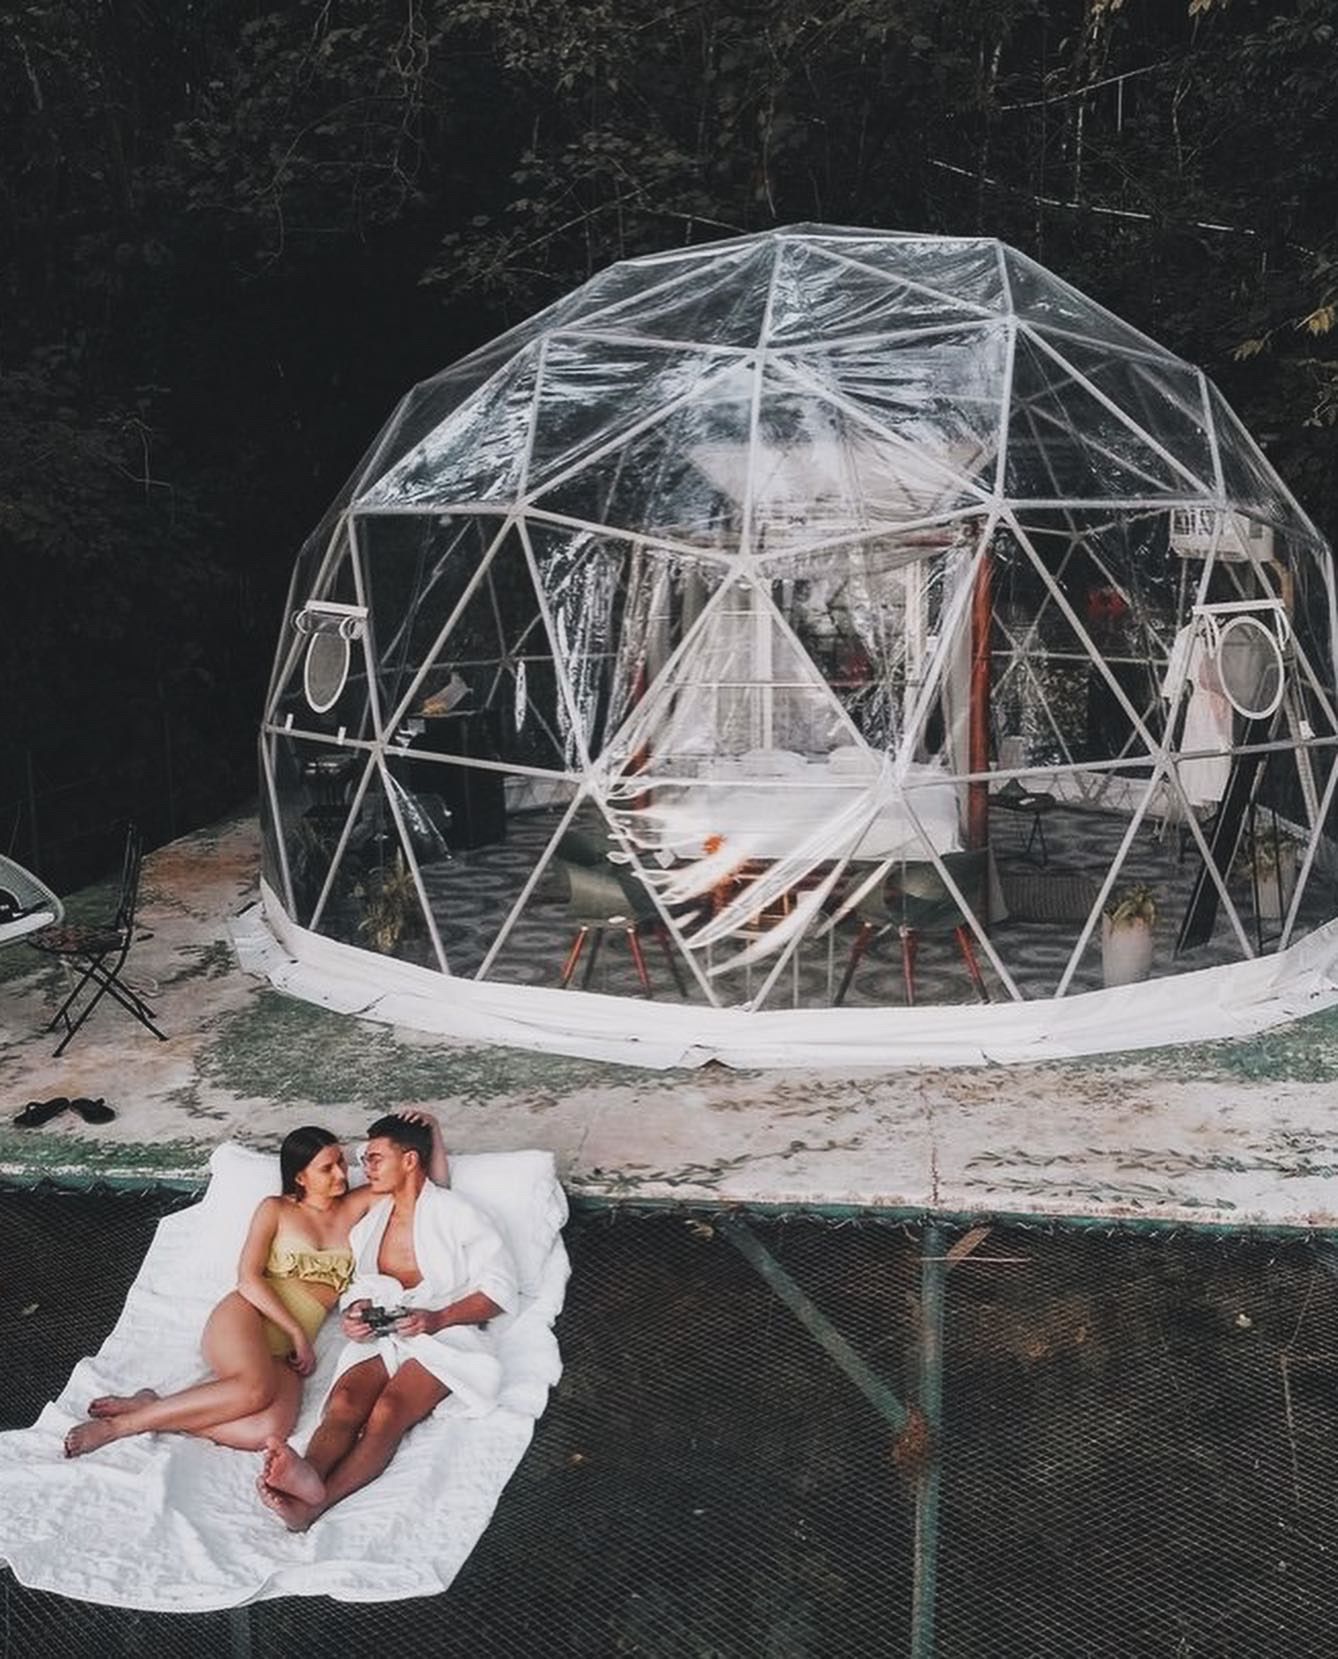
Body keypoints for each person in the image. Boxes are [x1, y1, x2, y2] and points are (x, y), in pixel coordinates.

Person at [62, 1111, 448, 1458]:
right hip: (248, 1315)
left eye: (341, 1164)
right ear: (300, 1176)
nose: (341, 1174)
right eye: (327, 1168)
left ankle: (153, 1407)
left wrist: (432, 1132)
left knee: (268, 1431)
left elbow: (433, 1195)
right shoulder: (275, 1209)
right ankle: (120, 1427)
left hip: (289, 1348)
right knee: (253, 1391)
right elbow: (247, 1278)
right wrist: (296, 1333)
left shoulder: (359, 1204)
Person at [256, 1112, 517, 1530]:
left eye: (375, 1158)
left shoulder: (457, 1214)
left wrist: (437, 1318)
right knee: (343, 1404)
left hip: (446, 1332)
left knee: (388, 1411)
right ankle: (306, 1475)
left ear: (410, 1161)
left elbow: (501, 1290)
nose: (365, 1168)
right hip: (385, 1331)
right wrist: (355, 1313)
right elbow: (360, 1283)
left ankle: (315, 1504)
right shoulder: (372, 1220)